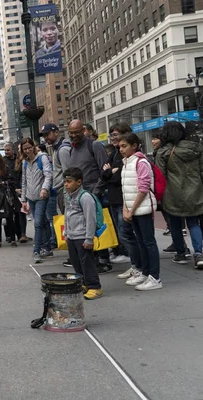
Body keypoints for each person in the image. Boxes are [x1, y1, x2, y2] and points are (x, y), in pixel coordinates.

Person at [156, 121, 203, 268]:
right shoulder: (196, 148)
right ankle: (199, 254)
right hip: (195, 190)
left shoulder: (163, 152)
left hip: (172, 192)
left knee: (175, 224)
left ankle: (181, 253)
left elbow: (160, 176)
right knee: (193, 223)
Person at [68, 119, 112, 273]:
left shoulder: (94, 145)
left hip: (93, 195)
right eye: (71, 133)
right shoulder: (71, 150)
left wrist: (95, 192)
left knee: (97, 226)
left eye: (76, 132)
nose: (73, 135)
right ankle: (92, 259)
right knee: (85, 229)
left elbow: (105, 170)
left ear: (84, 130)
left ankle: (104, 259)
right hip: (78, 197)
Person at [119, 133, 162, 290]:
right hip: (134, 210)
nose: (121, 149)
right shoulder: (127, 163)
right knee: (141, 242)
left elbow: (143, 189)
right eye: (120, 146)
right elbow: (126, 190)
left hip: (143, 209)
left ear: (134, 146)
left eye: (124, 146)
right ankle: (145, 272)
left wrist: (131, 210)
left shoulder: (141, 162)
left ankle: (155, 277)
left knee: (148, 242)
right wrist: (126, 209)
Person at [62, 167, 102, 299]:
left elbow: (90, 219)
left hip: (82, 237)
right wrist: (66, 233)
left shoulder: (85, 197)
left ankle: (94, 286)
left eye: (69, 181)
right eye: (65, 182)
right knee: (76, 262)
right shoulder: (67, 196)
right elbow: (66, 215)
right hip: (72, 236)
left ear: (79, 182)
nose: (66, 184)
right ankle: (83, 283)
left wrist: (89, 238)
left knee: (87, 262)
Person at [100, 123, 134, 275]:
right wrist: (109, 173)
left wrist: (110, 173)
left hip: (123, 199)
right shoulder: (114, 154)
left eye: (116, 135)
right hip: (114, 198)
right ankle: (135, 264)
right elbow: (106, 175)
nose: (113, 138)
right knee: (121, 232)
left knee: (126, 233)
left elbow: (118, 177)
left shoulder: (129, 156)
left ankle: (135, 263)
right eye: (111, 135)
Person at [20, 138, 53, 263]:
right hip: (30, 197)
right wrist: (23, 199)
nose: (27, 150)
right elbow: (24, 181)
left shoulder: (42, 158)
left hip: (41, 196)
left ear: (34, 146)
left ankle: (37, 250)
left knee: (38, 223)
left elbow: (48, 174)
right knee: (42, 221)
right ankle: (47, 246)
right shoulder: (24, 162)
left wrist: (44, 188)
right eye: (25, 149)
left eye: (29, 147)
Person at [41, 123, 71, 252]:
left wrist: (67, 194)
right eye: (44, 136)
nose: (45, 138)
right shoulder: (55, 149)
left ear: (56, 132)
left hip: (64, 191)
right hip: (59, 190)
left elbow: (68, 174)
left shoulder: (63, 150)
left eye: (47, 134)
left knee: (70, 222)